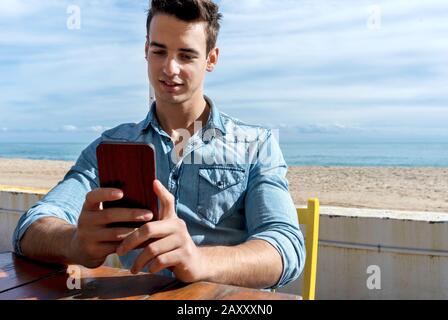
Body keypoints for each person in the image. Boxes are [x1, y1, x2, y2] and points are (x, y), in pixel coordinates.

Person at [12, 0, 304, 289]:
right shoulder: (112, 146)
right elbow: (31, 227)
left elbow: (286, 248)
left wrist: (199, 262)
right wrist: (74, 242)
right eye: (159, 51)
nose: (170, 68)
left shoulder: (256, 144)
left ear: (211, 59)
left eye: (187, 55)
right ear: (145, 51)